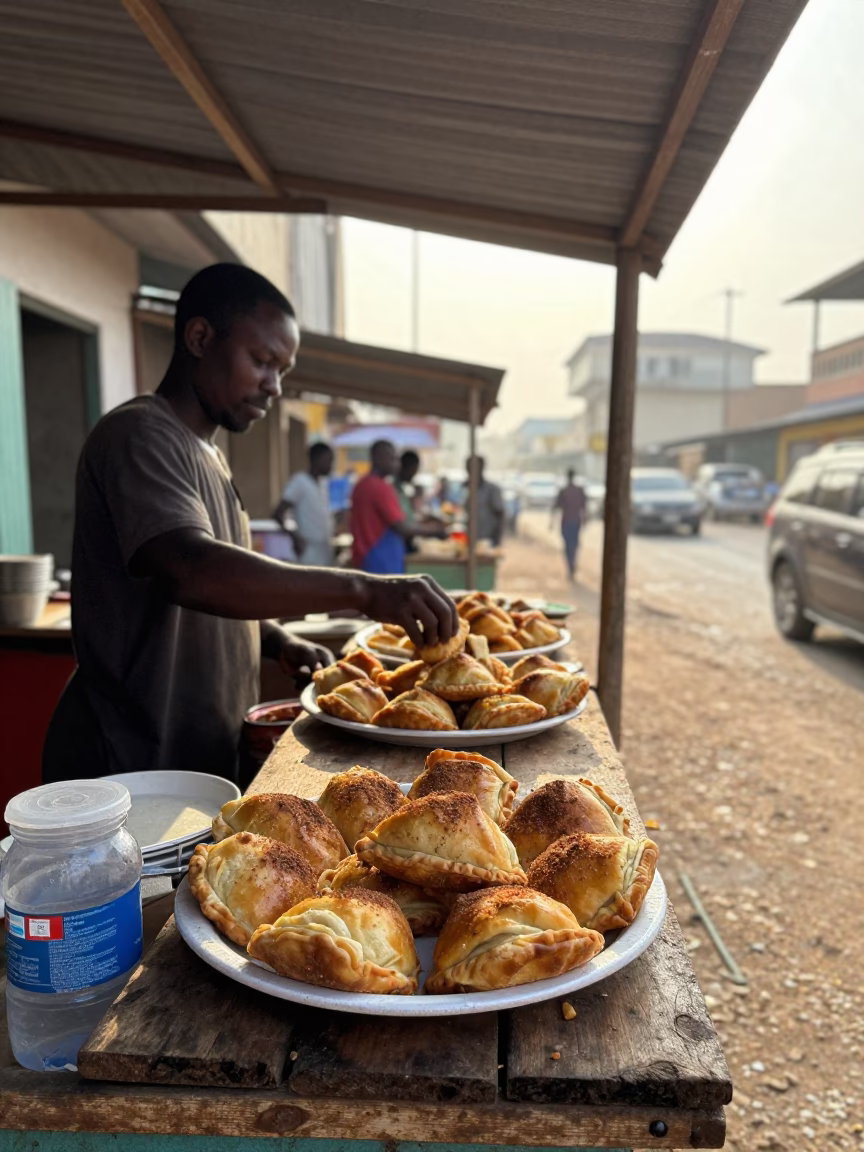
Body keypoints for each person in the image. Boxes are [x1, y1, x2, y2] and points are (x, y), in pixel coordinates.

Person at [43, 264, 456, 784]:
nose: (274, 386)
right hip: (128, 766)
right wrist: (364, 589)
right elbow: (192, 573)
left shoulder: (210, 456)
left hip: (199, 754)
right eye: (262, 361)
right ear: (199, 337)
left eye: (282, 370)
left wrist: (278, 641)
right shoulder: (139, 435)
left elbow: (218, 596)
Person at [351, 440, 446, 573]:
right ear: (378, 458)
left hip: (367, 556)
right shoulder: (380, 487)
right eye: (393, 459)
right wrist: (434, 530)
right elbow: (402, 527)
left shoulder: (361, 484)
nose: (397, 464)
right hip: (381, 559)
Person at [273, 441, 334, 566]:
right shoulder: (299, 482)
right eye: (328, 460)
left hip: (324, 550)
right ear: (316, 459)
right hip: (307, 550)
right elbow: (278, 513)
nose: (331, 465)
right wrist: (294, 537)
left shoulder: (322, 484)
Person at [552, 469, 587, 582]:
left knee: (568, 546)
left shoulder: (565, 491)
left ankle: (571, 565)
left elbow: (555, 507)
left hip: (567, 521)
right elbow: (584, 507)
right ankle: (572, 565)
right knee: (573, 545)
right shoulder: (578, 491)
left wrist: (551, 522)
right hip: (575, 521)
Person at [464, 456, 504, 547]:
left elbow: (500, 514)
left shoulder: (492, 490)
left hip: (487, 539)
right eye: (468, 469)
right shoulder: (467, 489)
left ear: (481, 469)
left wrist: (497, 540)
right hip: (469, 539)